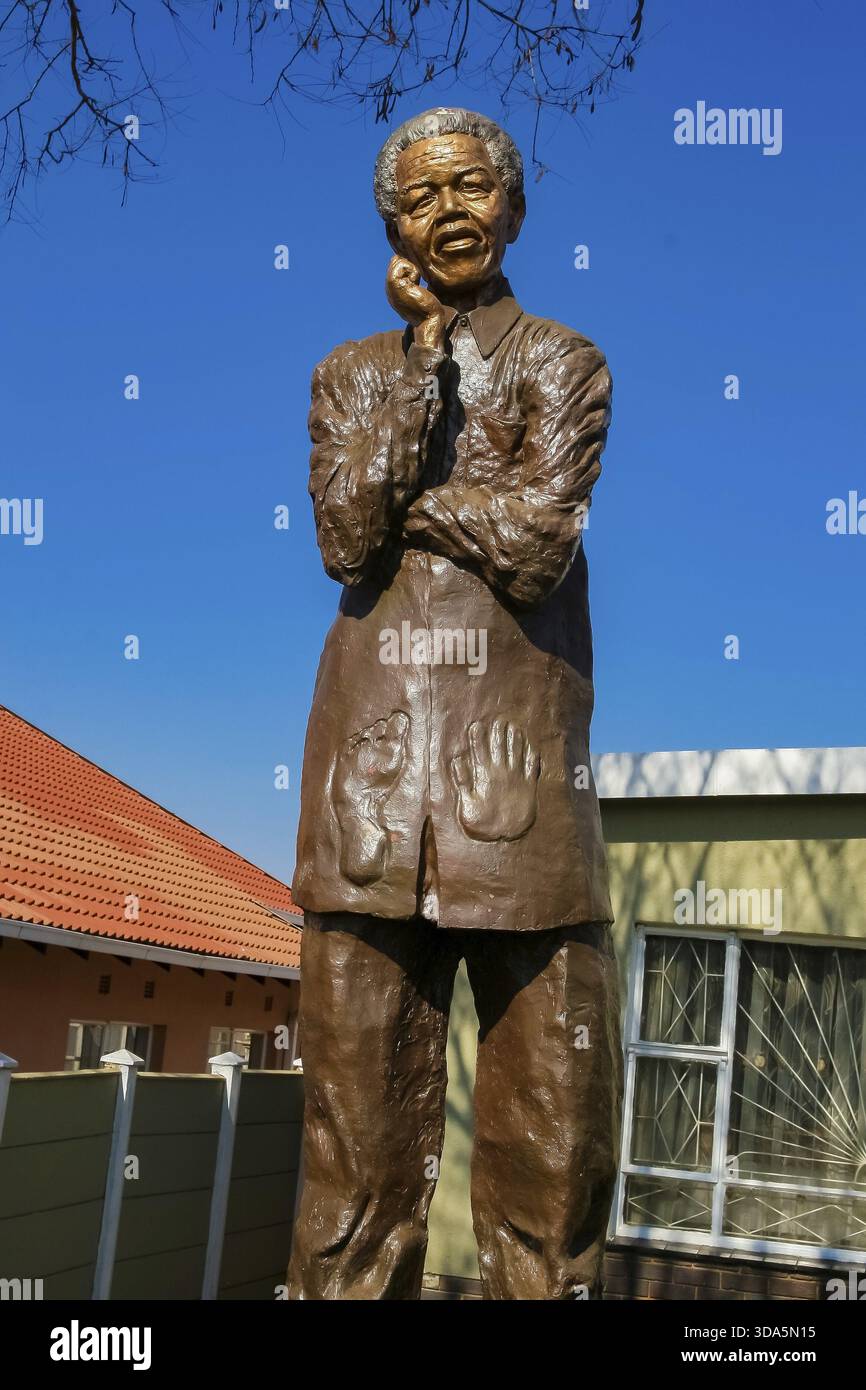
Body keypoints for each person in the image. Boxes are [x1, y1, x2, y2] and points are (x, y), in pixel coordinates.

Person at [288, 107, 622, 1300]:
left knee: (552, 1155)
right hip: (367, 800)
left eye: (470, 186)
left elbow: (535, 547)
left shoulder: (563, 362)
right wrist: (420, 363)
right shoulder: (350, 373)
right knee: (349, 1171)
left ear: (512, 206)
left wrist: (415, 507)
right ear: (393, 226)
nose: (448, 212)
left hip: (521, 794)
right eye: (420, 197)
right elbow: (344, 536)